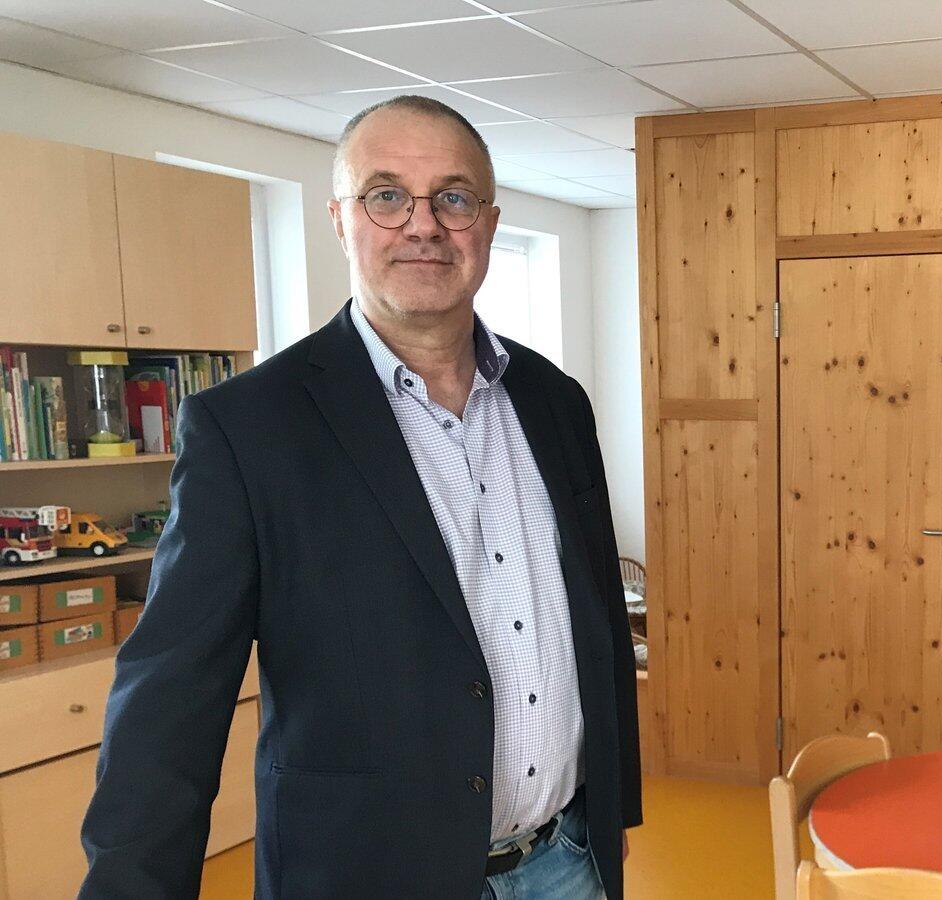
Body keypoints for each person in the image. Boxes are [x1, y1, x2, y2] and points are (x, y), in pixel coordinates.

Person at [79, 95, 641, 899]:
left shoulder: (555, 401)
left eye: (453, 197)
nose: (423, 225)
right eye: (387, 196)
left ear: (487, 223)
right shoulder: (250, 428)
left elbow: (597, 625)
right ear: (341, 220)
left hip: (566, 861)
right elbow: (169, 703)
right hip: (366, 876)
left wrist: (614, 811)